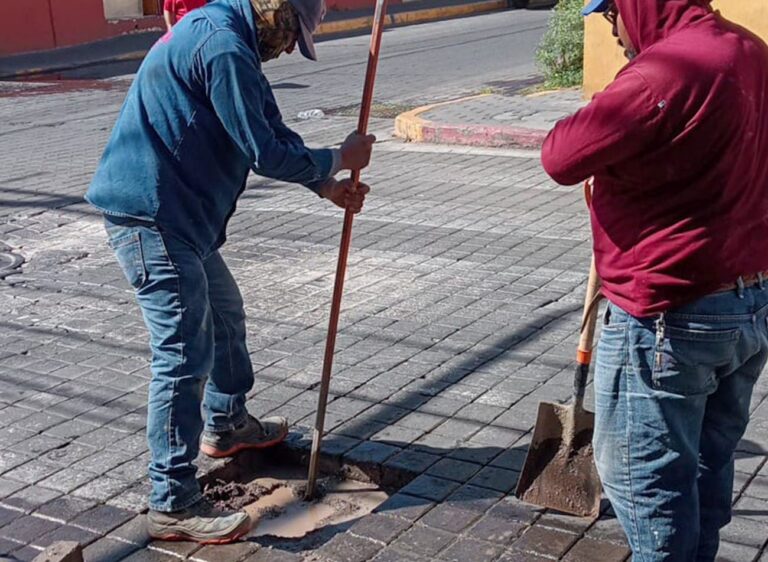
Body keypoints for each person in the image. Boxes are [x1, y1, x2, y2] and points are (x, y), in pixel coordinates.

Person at [86, 0, 375, 545]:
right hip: (154, 215)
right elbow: (263, 150)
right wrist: (337, 156)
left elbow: (268, 126)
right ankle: (171, 500)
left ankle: (225, 424)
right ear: (278, 11)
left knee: (225, 315)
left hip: (179, 218)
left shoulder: (230, 38)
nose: (291, 48)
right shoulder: (223, 45)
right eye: (295, 35)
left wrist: (324, 184)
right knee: (183, 354)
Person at [540, 0, 768, 560]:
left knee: (651, 494)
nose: (612, 31)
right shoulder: (752, 51)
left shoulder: (660, 75)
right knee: (707, 471)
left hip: (670, 319)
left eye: (611, 14)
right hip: (748, 304)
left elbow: (559, 155)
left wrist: (610, 105)